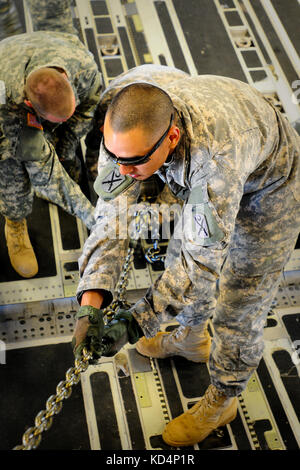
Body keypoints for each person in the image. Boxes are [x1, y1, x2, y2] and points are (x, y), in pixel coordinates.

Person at [72, 64, 300, 447]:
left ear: (172, 136)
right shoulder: (128, 138)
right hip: (202, 172)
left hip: (269, 192)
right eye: (115, 158)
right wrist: (91, 299)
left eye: (134, 164)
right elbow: (111, 218)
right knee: (178, 251)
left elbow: (201, 264)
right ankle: (190, 340)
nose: (123, 171)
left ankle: (223, 398)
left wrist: (134, 323)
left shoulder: (213, 163)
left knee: (241, 300)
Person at [0, 0, 102, 278]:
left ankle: (64, 150)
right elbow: (45, 175)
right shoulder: (10, 105)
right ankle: (15, 222)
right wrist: (92, 216)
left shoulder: (82, 67)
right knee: (10, 165)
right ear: (31, 109)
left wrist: (66, 151)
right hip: (6, 75)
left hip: (49, 45)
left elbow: (85, 110)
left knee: (86, 119)